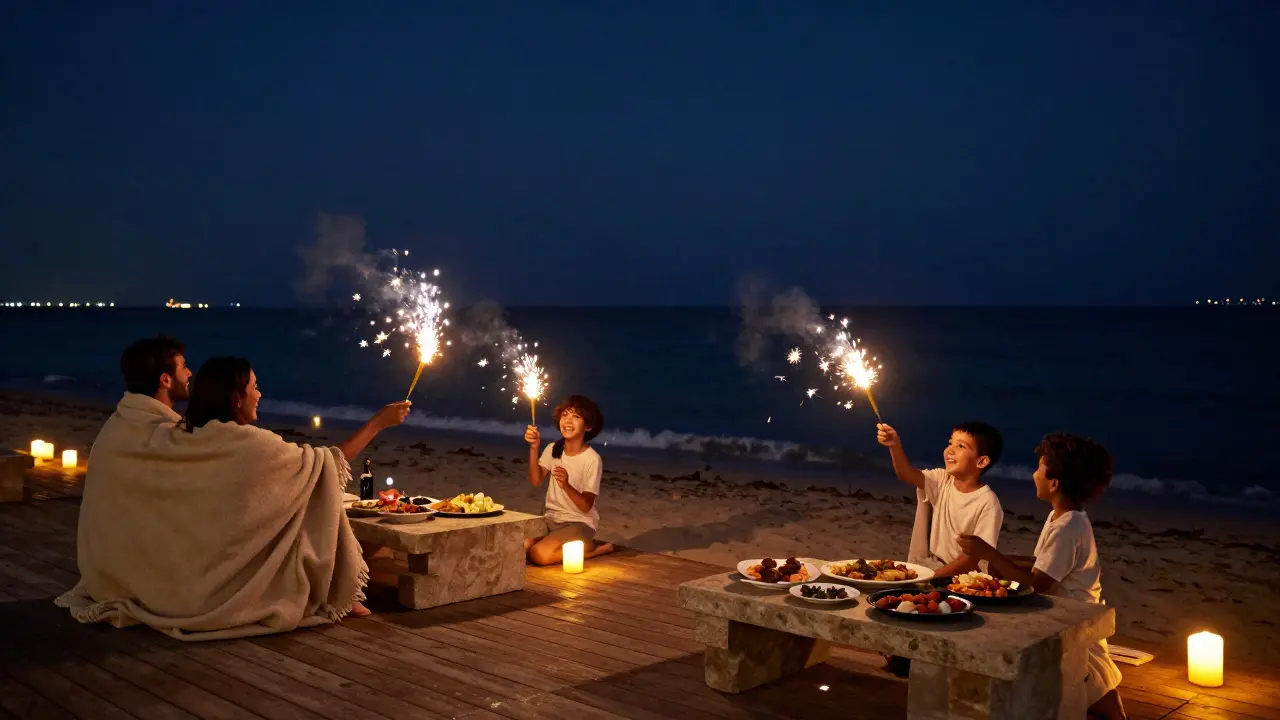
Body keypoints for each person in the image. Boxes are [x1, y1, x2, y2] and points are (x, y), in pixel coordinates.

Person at [57, 354, 410, 640]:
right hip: (207, 581)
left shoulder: (184, 436)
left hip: (190, 561)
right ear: (237, 398)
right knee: (311, 496)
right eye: (255, 387)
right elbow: (327, 463)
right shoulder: (250, 446)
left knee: (299, 495)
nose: (260, 394)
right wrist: (378, 423)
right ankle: (341, 594)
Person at [958, 433, 1127, 720]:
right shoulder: (1061, 517)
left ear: (1054, 483)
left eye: (1039, 468)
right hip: (1066, 617)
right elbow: (1042, 567)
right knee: (1099, 696)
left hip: (1073, 624)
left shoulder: (1067, 527)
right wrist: (1000, 565)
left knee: (1090, 692)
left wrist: (990, 553)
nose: (1033, 474)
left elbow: (1037, 585)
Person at [877, 421, 1005, 578]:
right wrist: (894, 446)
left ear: (981, 461)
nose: (950, 450)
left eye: (961, 446)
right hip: (934, 566)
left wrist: (932, 578)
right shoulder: (942, 480)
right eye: (950, 443)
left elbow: (972, 559)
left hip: (965, 577)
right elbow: (907, 474)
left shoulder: (988, 504)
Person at [522, 395, 615, 566]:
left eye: (576, 417)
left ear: (588, 426)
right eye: (565, 415)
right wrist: (534, 448)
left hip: (579, 523)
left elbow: (586, 506)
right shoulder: (552, 449)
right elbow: (535, 480)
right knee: (519, 546)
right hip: (551, 519)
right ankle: (563, 545)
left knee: (539, 555)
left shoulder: (592, 459)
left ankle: (592, 551)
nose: (568, 421)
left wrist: (566, 485)